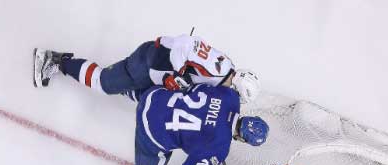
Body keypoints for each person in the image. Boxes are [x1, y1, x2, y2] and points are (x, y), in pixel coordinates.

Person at [85, 82, 269, 165]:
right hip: (152, 132)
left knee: (124, 83)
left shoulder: (230, 96)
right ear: (243, 139)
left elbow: (195, 89)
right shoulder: (220, 146)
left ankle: (107, 81)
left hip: (153, 97)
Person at [33, 34, 261, 104]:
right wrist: (178, 74)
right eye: (238, 96)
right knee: (105, 83)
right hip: (151, 61)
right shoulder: (217, 69)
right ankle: (56, 60)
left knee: (147, 98)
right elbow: (185, 42)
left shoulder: (225, 71)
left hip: (156, 69)